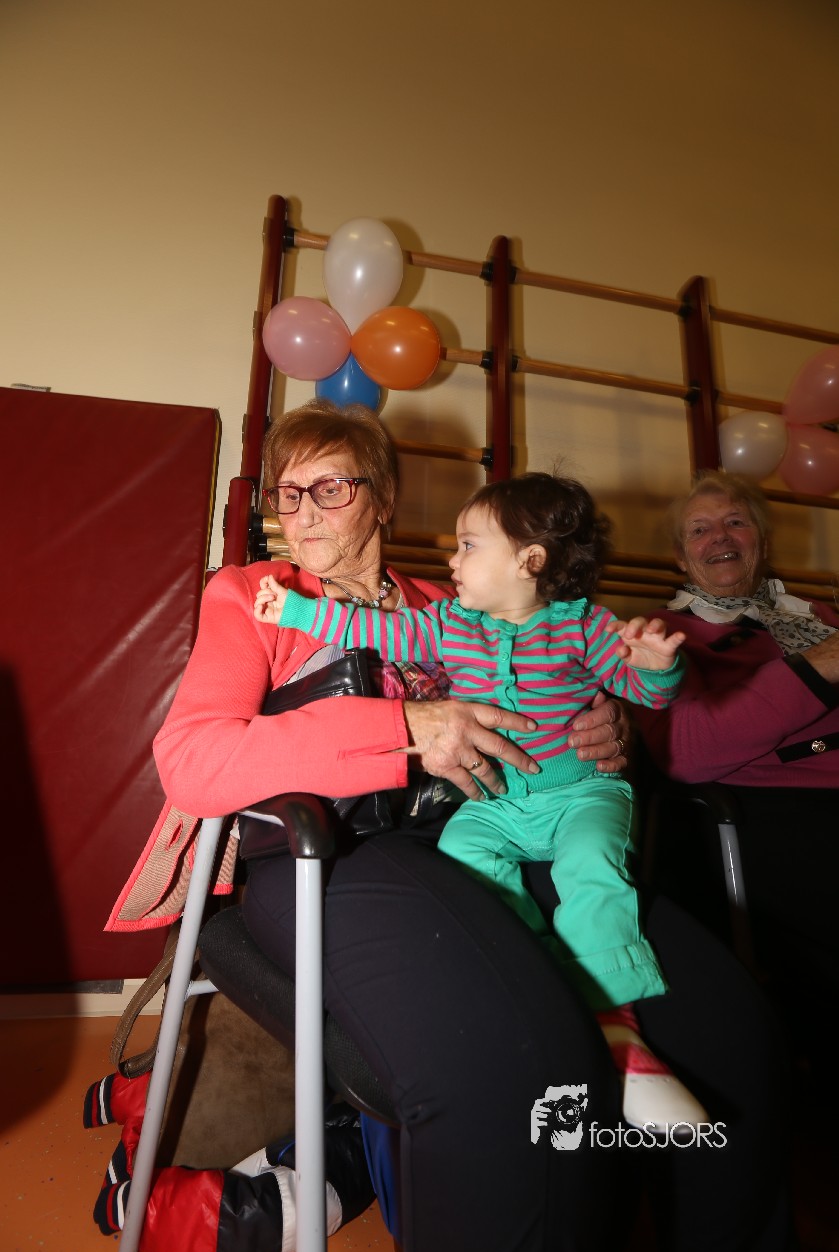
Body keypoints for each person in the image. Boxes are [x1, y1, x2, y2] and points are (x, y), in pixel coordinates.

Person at [146, 403, 796, 1252]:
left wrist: (608, 725)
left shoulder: (456, 605)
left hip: (492, 829)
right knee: (515, 1060)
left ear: (384, 499)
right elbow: (192, 760)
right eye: (286, 493)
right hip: (332, 855)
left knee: (727, 1029)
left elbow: (562, 681)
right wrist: (405, 727)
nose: (302, 513)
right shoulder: (255, 597)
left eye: (330, 487)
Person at [254, 471, 707, 1132]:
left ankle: (617, 1022)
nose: (452, 559)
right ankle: (538, 973)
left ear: (530, 561)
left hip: (581, 793)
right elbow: (378, 630)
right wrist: (295, 611)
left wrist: (657, 667)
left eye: (468, 545)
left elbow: (646, 694)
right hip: (496, 802)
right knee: (463, 852)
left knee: (591, 866)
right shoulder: (449, 624)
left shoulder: (584, 627)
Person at [631, 468, 839, 1075]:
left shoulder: (820, 615)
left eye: (735, 522)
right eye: (699, 529)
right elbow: (687, 751)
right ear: (681, 557)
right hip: (771, 814)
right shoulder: (663, 634)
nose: (719, 536)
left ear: (761, 541)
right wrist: (817, 667)